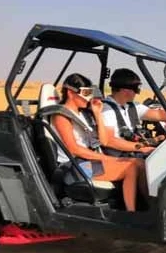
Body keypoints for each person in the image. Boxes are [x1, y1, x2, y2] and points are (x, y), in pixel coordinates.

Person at [50, 73, 142, 212]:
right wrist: (108, 158)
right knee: (130, 167)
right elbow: (74, 149)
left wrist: (98, 113)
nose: (88, 97)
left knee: (140, 163)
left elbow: (103, 140)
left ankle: (146, 207)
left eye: (90, 93)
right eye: (85, 93)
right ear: (70, 92)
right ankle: (131, 212)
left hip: (87, 162)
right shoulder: (61, 116)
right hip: (73, 167)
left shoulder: (84, 114)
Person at [101, 69, 166, 156]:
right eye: (136, 89)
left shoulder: (131, 106)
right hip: (120, 156)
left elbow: (159, 114)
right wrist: (142, 148)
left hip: (134, 149)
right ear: (125, 90)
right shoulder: (107, 110)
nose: (137, 93)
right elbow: (110, 141)